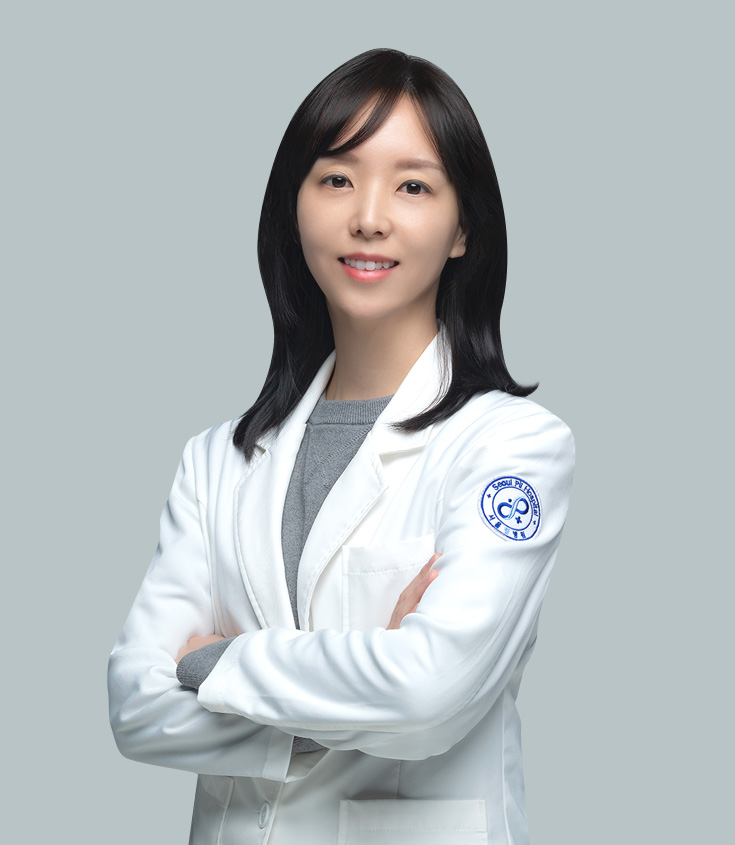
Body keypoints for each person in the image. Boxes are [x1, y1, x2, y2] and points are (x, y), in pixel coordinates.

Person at [108, 48, 575, 845]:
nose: (368, 216)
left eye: (412, 186)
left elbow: (427, 694)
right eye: (335, 178)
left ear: (463, 228)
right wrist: (358, 686)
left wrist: (216, 663)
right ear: (293, 208)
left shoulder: (511, 447)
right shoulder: (216, 461)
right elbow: (134, 706)